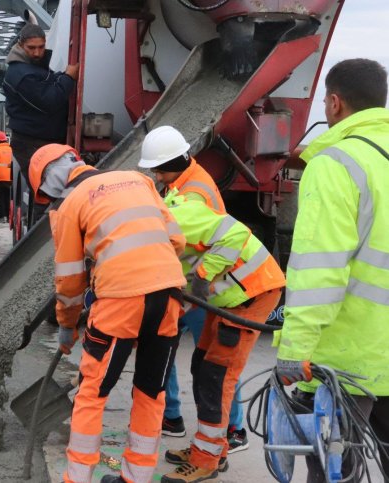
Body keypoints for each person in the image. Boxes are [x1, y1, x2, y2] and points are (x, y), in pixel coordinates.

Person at [28, 143, 186, 483]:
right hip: (169, 295)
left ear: (51, 185)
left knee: (92, 393)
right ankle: (136, 477)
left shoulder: (70, 206)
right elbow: (176, 241)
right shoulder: (139, 180)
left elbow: (69, 280)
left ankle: (77, 478)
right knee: (150, 392)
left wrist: (67, 327)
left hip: (119, 301)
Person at [274, 58, 389, 480]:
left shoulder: (336, 163)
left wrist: (295, 348)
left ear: (335, 103)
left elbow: (319, 268)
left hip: (347, 359)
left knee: (334, 470)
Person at [160, 189, 285, 483]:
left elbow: (236, 234)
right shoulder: (156, 225)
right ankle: (212, 449)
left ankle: (206, 461)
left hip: (253, 293)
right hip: (228, 297)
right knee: (201, 366)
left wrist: (204, 275)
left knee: (216, 376)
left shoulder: (176, 219)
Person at [137, 125, 249, 452]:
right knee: (162, 348)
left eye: (159, 170)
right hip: (183, 284)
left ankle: (232, 429)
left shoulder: (194, 192)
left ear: (175, 162)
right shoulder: (182, 181)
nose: (157, 176)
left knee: (217, 361)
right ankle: (171, 417)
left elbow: (178, 239)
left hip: (202, 288)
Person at [3, 23, 78, 226]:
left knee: (48, 192)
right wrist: (68, 77)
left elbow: (48, 83)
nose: (37, 53)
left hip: (42, 141)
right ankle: (42, 239)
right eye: (32, 48)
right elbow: (49, 101)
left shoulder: (31, 68)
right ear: (20, 45)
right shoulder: (21, 75)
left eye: (41, 47)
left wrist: (61, 76)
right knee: (46, 194)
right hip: (32, 144)